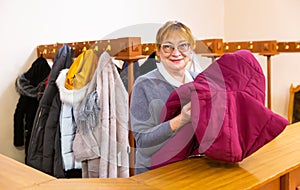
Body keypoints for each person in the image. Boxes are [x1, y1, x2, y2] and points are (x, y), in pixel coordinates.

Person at [130, 20, 201, 175]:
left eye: (183, 45)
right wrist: (181, 120)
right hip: (154, 173)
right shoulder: (144, 85)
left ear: (191, 49)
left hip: (192, 170)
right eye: (168, 47)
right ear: (158, 51)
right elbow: (142, 140)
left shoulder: (200, 82)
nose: (176, 53)